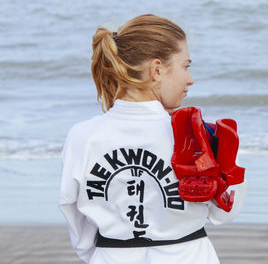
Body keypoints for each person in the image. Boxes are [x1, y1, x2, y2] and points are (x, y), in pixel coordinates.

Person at [59, 14, 247, 264]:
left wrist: (105, 254)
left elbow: (73, 212)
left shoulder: (82, 136)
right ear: (157, 70)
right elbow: (224, 214)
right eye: (186, 66)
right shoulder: (201, 135)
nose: (190, 79)